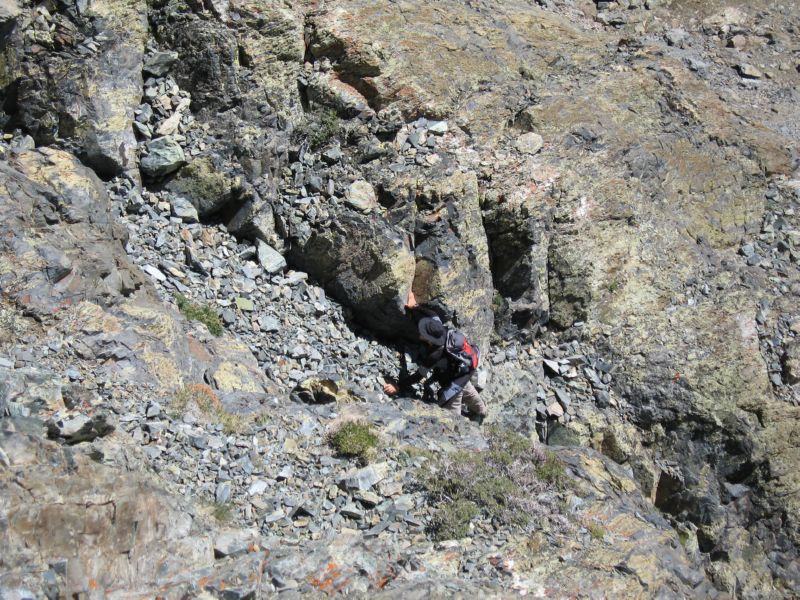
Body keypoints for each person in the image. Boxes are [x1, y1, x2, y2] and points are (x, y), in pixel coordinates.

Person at [383, 291, 487, 423]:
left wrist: (398, 386)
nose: (419, 333)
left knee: (451, 417)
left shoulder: (436, 354)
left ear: (428, 339)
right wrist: (415, 306)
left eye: (422, 332)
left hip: (454, 382)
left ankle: (461, 429)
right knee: (470, 392)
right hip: (465, 372)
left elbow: (418, 376)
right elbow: (432, 314)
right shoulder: (439, 327)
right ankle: (482, 412)